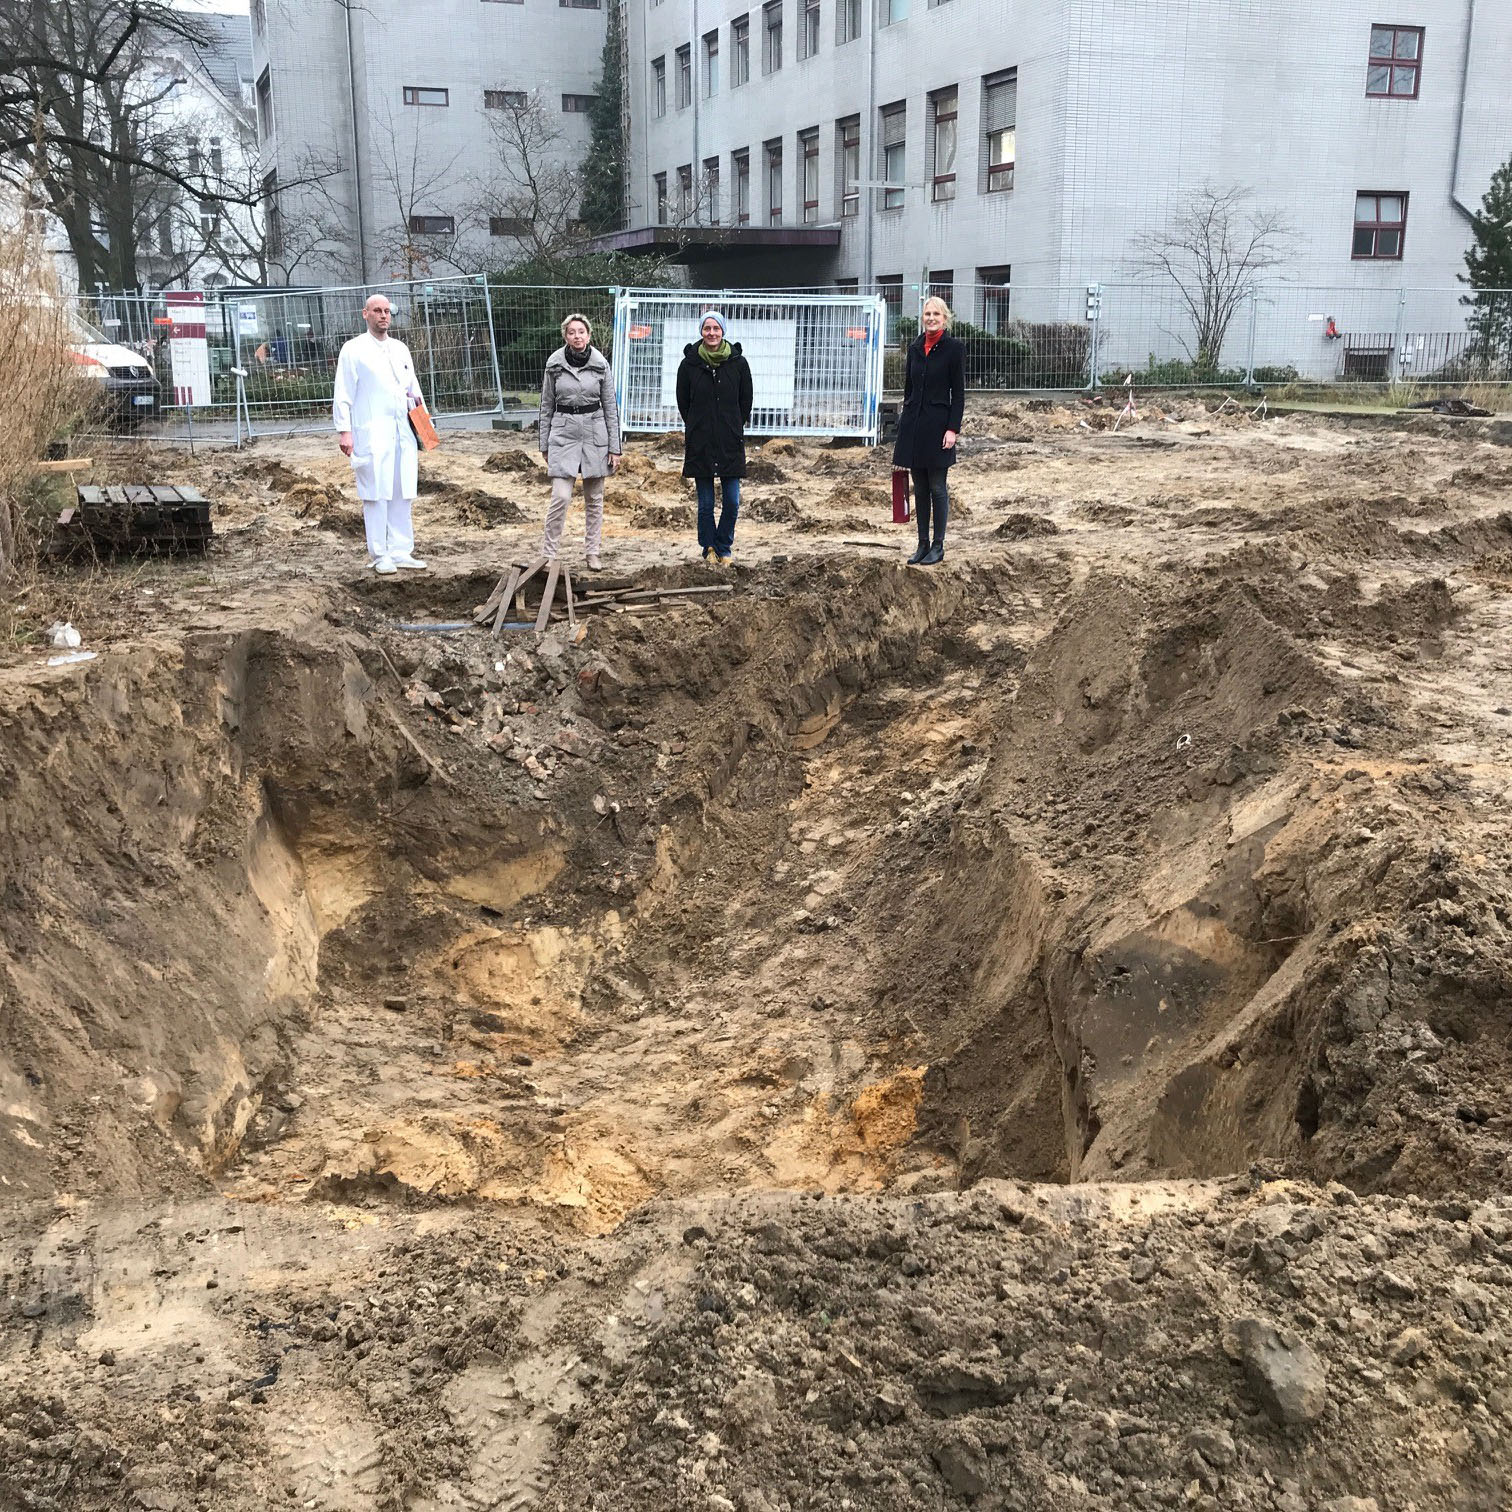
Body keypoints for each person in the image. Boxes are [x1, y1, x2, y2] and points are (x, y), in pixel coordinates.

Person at [333, 294, 428, 574]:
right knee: (376, 491)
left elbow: (413, 389)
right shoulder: (354, 350)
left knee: (402, 489)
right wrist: (345, 431)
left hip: (402, 431)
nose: (383, 315)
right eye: (377, 310)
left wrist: (423, 425)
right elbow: (343, 392)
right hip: (372, 431)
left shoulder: (400, 349)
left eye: (387, 311)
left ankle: (401, 549)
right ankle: (380, 553)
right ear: (366, 314)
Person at [539, 312, 621, 571]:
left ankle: (592, 553)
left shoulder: (600, 364)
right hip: (563, 434)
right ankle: (548, 554)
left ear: (589, 335)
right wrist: (544, 444)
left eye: (581, 332)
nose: (577, 336)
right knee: (560, 496)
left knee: (594, 499)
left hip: (595, 433)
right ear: (565, 336)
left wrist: (614, 447)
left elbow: (610, 406)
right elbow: (545, 405)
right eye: (572, 332)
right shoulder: (554, 364)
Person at [893, 296, 966, 566]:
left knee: (937, 487)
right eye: (927, 314)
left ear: (944, 318)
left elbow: (958, 395)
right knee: (920, 489)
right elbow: (909, 389)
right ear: (922, 318)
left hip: (938, 427)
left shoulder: (953, 349)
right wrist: (904, 424)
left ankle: (938, 545)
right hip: (914, 427)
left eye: (936, 314)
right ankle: (922, 544)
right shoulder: (914, 348)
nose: (931, 318)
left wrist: (952, 429)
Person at [676, 311, 753, 566]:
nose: (711, 333)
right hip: (701, 441)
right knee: (706, 502)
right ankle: (709, 547)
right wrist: (698, 425)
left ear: (723, 331)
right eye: (707, 328)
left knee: (732, 500)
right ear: (701, 331)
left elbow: (746, 401)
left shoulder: (738, 363)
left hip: (730, 440)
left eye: (716, 328)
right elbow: (683, 402)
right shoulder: (689, 365)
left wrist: (732, 425)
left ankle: (724, 546)